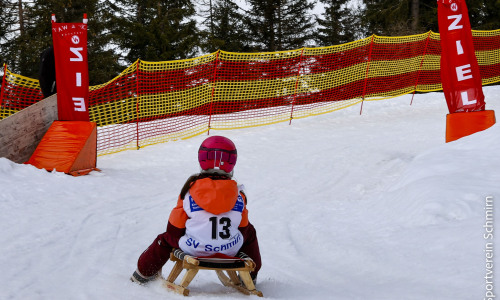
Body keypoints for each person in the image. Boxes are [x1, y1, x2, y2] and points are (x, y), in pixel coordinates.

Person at [131, 136, 262, 285]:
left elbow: (174, 229)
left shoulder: (189, 192)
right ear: (232, 162)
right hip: (230, 250)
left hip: (194, 249)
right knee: (250, 232)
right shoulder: (239, 195)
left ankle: (143, 273)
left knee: (165, 239)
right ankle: (251, 276)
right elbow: (243, 229)